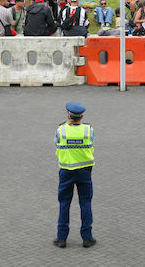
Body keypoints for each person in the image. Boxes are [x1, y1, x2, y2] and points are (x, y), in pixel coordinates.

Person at [53, 102, 96, 249]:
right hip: (84, 172)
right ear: (82, 116)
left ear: (68, 115)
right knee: (85, 203)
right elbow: (91, 143)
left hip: (66, 172)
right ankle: (87, 238)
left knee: (64, 203)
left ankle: (61, 238)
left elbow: (56, 144)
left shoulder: (61, 130)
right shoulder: (88, 130)